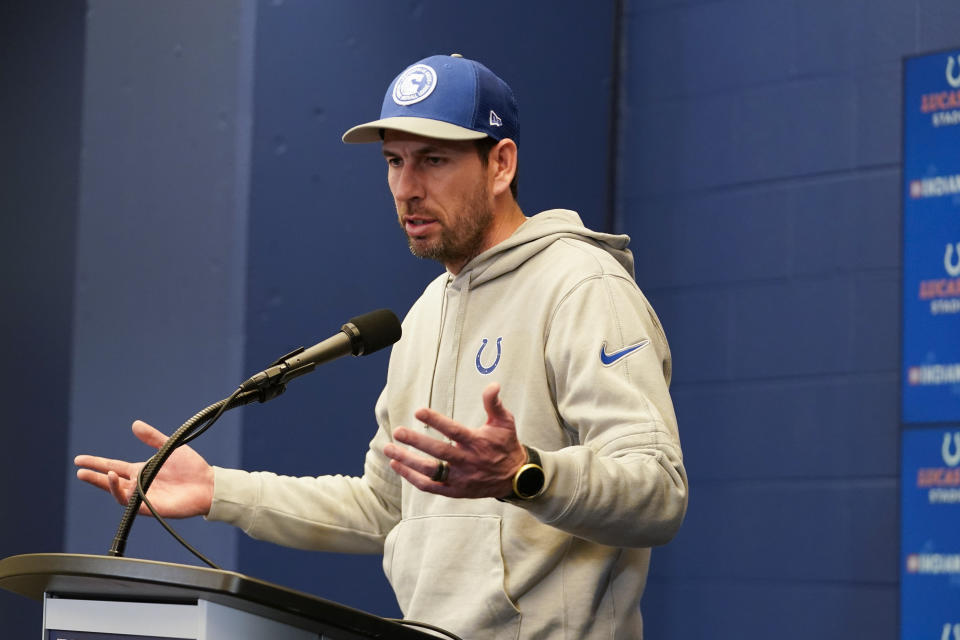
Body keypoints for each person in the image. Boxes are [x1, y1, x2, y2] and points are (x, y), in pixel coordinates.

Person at [76, 54, 688, 639]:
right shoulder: (426, 315)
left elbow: (658, 491)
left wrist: (525, 474)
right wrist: (221, 492)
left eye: (433, 160)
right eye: (394, 162)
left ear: (500, 165)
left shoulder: (581, 286)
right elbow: (384, 506)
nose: (407, 188)